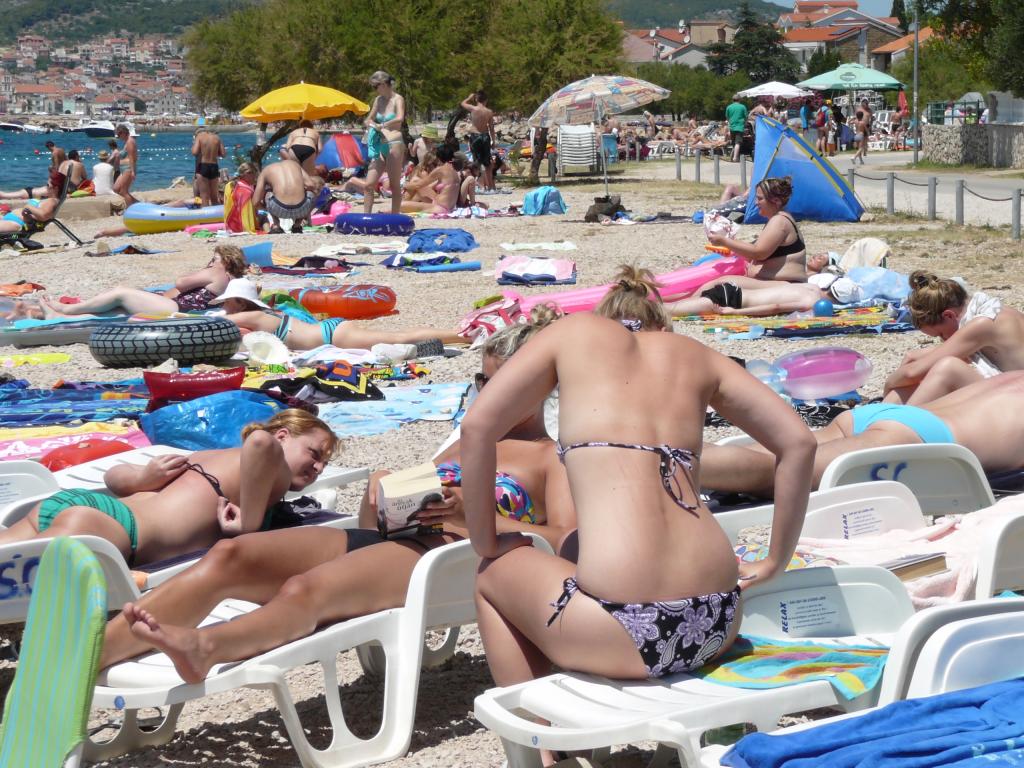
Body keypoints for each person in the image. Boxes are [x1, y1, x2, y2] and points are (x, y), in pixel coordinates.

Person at [96, 310, 577, 681]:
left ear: (539, 387)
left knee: (305, 590)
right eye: (481, 381)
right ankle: (92, 656)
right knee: (231, 554)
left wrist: (476, 516)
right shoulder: (467, 441)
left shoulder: (550, 458)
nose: (487, 393)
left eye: (500, 383)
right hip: (398, 543)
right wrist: (382, 492)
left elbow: (567, 543)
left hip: (453, 558)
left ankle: (207, 649)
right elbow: (375, 527)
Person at [462, 264, 814, 695]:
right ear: (659, 324)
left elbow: (477, 428)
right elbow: (799, 443)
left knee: (493, 573)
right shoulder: (696, 354)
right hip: (718, 618)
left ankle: (541, 734)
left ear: (606, 317)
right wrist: (776, 559)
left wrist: (486, 541)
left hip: (621, 630)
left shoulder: (571, 334)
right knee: (572, 546)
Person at [0, 410, 337, 570]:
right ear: (283, 436)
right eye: (314, 453)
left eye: (324, 462)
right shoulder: (273, 469)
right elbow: (261, 441)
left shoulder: (211, 457)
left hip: (83, 508)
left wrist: (141, 479)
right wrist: (249, 524)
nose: (319, 467)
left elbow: (114, 478)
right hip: (114, 530)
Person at [701, 372, 1024, 498]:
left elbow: (950, 367)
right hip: (921, 440)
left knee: (769, 457)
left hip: (887, 415)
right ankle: (671, 462)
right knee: (776, 472)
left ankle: (680, 452)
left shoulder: (1013, 377)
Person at [882, 271, 1024, 405]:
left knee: (947, 368)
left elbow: (911, 373)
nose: (944, 340)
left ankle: (900, 420)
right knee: (924, 365)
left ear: (949, 315)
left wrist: (888, 385)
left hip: (1017, 403)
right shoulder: (991, 310)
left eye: (941, 334)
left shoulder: (982, 324)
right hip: (1015, 389)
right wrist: (915, 356)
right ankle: (883, 413)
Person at [665, 177, 809, 304]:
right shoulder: (777, 219)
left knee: (718, 284)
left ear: (776, 201)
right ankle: (671, 300)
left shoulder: (780, 221)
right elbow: (755, 252)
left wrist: (724, 241)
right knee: (706, 279)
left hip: (788, 285)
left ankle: (677, 306)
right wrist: (730, 245)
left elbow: (759, 253)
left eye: (760, 199)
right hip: (775, 283)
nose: (756, 203)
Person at [217, 278, 467, 350]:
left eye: (226, 302)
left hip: (332, 336)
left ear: (239, 303)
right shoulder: (265, 315)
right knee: (398, 337)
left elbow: (214, 323)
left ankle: (463, 335)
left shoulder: (251, 317)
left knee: (399, 338)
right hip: (331, 329)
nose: (224, 307)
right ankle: (460, 334)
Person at [8, 245, 247, 320]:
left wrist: (205, 268)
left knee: (121, 292)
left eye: (214, 258)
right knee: (113, 312)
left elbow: (181, 282)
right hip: (178, 308)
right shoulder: (232, 280)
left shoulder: (218, 271)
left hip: (176, 309)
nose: (211, 261)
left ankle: (66, 309)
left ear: (225, 260)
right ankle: (44, 314)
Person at [665, 273, 861, 318]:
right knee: (668, 311)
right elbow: (775, 307)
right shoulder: (811, 301)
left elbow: (765, 286)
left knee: (676, 304)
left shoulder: (810, 287)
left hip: (731, 289)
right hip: (731, 300)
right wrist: (734, 312)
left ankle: (648, 297)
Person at [363, 70, 406, 215]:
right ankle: (366, 217)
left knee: (394, 185)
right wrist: (370, 124)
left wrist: (382, 125)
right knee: (368, 184)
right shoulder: (378, 100)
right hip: (379, 145)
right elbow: (369, 118)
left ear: (383, 84)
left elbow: (399, 118)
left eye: (376, 86)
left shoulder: (398, 99)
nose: (375, 89)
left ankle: (395, 217)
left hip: (394, 143)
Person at [253, 157, 320, 234]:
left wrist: (267, 208)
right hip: (301, 209)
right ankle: (297, 225)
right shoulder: (295, 164)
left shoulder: (265, 170)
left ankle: (276, 225)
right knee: (311, 193)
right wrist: (301, 189)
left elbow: (255, 202)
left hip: (277, 210)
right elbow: (310, 185)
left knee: (268, 192)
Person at [400, 143, 459, 214]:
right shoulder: (455, 171)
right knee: (416, 182)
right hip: (449, 207)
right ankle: (406, 201)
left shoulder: (440, 170)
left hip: (440, 207)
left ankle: (403, 202)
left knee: (401, 205)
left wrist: (404, 185)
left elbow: (419, 185)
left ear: (439, 157)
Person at [0, 172, 65, 235]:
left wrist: (28, 206)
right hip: (11, 220)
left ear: (56, 188)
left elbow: (43, 215)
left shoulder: (52, 201)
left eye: (48, 185)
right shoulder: (51, 199)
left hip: (16, 223)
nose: (46, 187)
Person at [461, 91, 497, 191]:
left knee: (476, 162)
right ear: (486, 100)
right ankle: (490, 186)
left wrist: (469, 98)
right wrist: (493, 141)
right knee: (487, 163)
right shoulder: (489, 112)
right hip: (485, 136)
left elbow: (463, 103)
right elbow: (491, 128)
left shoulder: (473, 108)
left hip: (475, 136)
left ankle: (478, 185)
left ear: (476, 99)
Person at [0, 148, 67, 200]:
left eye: (53, 157)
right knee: (4, 195)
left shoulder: (56, 179)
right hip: (33, 192)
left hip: (31, 193)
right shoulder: (61, 176)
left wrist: (51, 172)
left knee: (3, 195)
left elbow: (50, 186)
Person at [192, 128, 225, 206]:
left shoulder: (200, 137)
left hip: (203, 166)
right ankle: (215, 213)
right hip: (214, 166)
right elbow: (223, 154)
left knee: (204, 197)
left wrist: (199, 147)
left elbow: (194, 152)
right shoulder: (217, 138)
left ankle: (202, 211)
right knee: (214, 197)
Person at [113, 124, 138, 207]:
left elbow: (132, 157)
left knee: (123, 192)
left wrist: (133, 171)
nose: (118, 137)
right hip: (124, 169)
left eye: (119, 134)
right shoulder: (127, 141)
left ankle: (131, 209)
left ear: (123, 132)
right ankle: (139, 204)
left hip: (128, 168)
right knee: (116, 188)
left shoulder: (130, 142)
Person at [726, 94, 748, 162]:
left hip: (732, 127)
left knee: (734, 143)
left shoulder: (729, 107)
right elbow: (746, 117)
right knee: (738, 143)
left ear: (733, 100)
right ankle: (735, 158)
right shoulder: (742, 107)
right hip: (740, 127)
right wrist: (745, 124)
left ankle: (735, 156)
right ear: (739, 99)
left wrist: (730, 123)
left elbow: (727, 117)